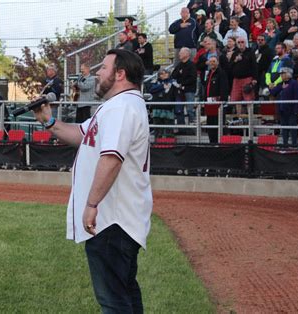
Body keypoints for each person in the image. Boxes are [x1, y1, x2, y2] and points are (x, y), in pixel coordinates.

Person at [32, 49, 152, 313]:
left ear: (120, 74)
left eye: (104, 68)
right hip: (118, 220)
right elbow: (81, 134)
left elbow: (112, 158)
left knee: (113, 301)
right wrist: (49, 121)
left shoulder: (122, 107)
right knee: (124, 292)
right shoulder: (117, 106)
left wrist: (92, 203)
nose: (98, 73)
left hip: (112, 220)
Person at [270, 67, 298, 145]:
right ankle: (285, 144)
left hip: (291, 110)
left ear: (288, 74)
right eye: (281, 74)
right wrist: (276, 87)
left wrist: (296, 110)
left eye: (283, 73)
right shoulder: (280, 84)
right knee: (284, 128)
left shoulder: (294, 83)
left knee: (292, 128)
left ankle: (294, 144)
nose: (281, 75)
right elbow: (273, 92)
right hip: (282, 110)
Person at [203, 56, 229, 143]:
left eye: (214, 61)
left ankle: (220, 142)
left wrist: (222, 101)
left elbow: (224, 88)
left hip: (218, 103)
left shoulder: (221, 73)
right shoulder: (208, 73)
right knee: (210, 123)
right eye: (210, 61)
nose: (212, 63)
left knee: (218, 122)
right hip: (209, 103)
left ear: (217, 62)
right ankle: (212, 142)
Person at [230, 36, 258, 114]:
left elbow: (254, 66)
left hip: (247, 78)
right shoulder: (234, 53)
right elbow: (230, 66)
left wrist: (255, 78)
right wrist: (235, 60)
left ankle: (250, 118)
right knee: (236, 99)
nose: (240, 44)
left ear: (245, 43)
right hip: (236, 79)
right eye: (239, 42)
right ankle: (239, 118)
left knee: (249, 99)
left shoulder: (250, 52)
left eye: (242, 42)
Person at [171, 47, 198, 124]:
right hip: (180, 91)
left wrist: (181, 82)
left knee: (190, 109)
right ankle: (181, 128)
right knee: (179, 109)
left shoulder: (192, 65)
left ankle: (192, 127)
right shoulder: (179, 65)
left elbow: (192, 78)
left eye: (181, 52)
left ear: (187, 54)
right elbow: (173, 75)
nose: (179, 54)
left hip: (189, 90)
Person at [148, 68, 176, 138]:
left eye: (165, 73)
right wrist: (162, 86)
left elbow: (176, 95)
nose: (164, 75)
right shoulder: (155, 82)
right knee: (157, 129)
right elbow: (151, 90)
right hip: (157, 108)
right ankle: (157, 142)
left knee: (169, 128)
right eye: (161, 73)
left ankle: (169, 143)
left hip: (168, 108)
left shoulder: (173, 82)